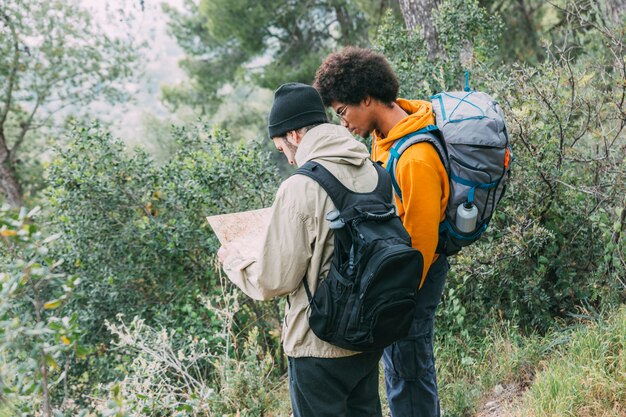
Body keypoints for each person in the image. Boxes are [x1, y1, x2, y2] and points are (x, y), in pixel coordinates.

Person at [217, 82, 384, 417]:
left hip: (317, 341)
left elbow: (273, 280)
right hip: (368, 333)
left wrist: (234, 261)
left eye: (280, 146)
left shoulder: (301, 186)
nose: (286, 155)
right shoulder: (374, 171)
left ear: (293, 135)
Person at [314, 47, 450, 417]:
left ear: (368, 98)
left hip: (411, 276)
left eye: (343, 112)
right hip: (397, 267)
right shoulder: (388, 135)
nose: (343, 123)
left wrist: (394, 297)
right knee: (402, 367)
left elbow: (422, 243)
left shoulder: (415, 157)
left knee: (408, 371)